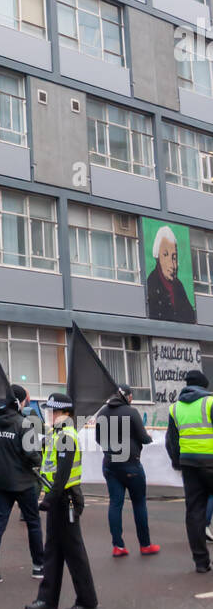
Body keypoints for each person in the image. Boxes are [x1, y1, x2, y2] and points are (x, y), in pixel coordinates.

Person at [25, 395, 98, 609]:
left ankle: (87, 603)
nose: (50, 415)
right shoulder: (57, 434)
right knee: (53, 552)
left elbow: (64, 475)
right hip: (60, 498)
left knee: (74, 552)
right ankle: (47, 600)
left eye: (53, 411)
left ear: (63, 412)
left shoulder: (65, 435)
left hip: (65, 498)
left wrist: (49, 498)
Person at [0, 383, 44, 584]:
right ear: (19, 401)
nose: (27, 402)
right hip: (24, 482)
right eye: (25, 399)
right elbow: (32, 455)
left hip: (1, 480)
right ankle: (38, 566)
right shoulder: (24, 423)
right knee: (33, 523)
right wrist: (39, 458)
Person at [96, 385, 159, 557]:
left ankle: (118, 546)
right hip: (131, 464)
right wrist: (149, 438)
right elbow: (143, 438)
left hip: (110, 463)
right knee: (139, 503)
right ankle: (145, 545)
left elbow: (98, 439)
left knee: (115, 503)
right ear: (127, 396)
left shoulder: (102, 412)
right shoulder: (131, 412)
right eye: (131, 396)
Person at [166, 368, 213, 573]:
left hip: (189, 465)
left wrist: (178, 462)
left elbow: (171, 441)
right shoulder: (210, 402)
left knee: (194, 511)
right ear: (204, 385)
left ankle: (201, 562)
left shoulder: (175, 408)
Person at [146, 226, 196, 322]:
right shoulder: (151, 284)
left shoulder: (178, 286)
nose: (172, 264)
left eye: (174, 257)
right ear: (157, 257)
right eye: (165, 255)